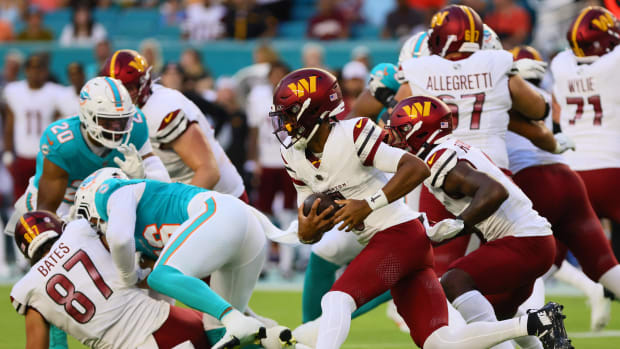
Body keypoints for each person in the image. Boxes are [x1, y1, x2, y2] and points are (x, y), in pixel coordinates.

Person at [270, 67, 570, 349]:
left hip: (398, 235)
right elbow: (307, 224)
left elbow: (414, 167)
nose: (284, 123)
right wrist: (306, 233)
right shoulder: (292, 156)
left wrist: (368, 204)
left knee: (336, 300)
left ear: (315, 111)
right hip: (396, 243)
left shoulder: (353, 133)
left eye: (291, 114)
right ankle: (535, 323)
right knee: (441, 342)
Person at [385, 95, 559, 349]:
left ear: (420, 131)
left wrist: (458, 225)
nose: (397, 138)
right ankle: (548, 341)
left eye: (401, 130)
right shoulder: (448, 150)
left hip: (524, 241)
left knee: (455, 281)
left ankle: (542, 323)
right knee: (500, 322)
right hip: (532, 240)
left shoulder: (439, 160)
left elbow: (495, 192)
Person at [393, 5, 551, 278]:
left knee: (437, 266)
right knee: (512, 251)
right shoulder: (499, 62)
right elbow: (538, 110)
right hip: (491, 168)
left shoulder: (418, 68)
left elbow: (397, 117)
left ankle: (449, 320)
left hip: (439, 170)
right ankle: (517, 319)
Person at [73, 167, 299, 347]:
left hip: (223, 213)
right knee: (219, 331)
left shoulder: (113, 190)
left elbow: (120, 239)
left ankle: (235, 319)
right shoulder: (145, 231)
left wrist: (126, 276)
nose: (95, 226)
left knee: (162, 275)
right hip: (245, 230)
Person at [508, 44, 620, 331]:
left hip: (532, 182)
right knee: (605, 264)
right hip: (567, 177)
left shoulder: (501, 99)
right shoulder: (544, 96)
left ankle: (545, 331)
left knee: (529, 266)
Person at [10, 211, 211, 349]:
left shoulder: (28, 289)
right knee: (220, 329)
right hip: (168, 324)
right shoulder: (79, 231)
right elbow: (134, 269)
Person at [4, 76, 169, 236]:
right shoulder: (63, 143)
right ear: (87, 116)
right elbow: (46, 210)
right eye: (107, 121)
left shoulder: (137, 126)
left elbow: (163, 186)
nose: (117, 129)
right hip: (64, 201)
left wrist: (143, 176)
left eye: (122, 121)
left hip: (100, 200)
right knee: (49, 244)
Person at [101, 50, 247, 201]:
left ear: (143, 84)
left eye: (128, 88)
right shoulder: (127, 110)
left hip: (220, 200)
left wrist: (175, 210)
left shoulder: (162, 111)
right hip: (183, 190)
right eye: (116, 90)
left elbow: (208, 172)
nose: (121, 96)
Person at [551, 6, 620, 262]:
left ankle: (526, 301)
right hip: (612, 168)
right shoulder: (615, 63)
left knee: (549, 254)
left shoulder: (561, 64)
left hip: (570, 172)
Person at [2, 54, 64, 204]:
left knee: (45, 198)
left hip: (46, 156)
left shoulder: (55, 92)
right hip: (22, 154)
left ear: (45, 71)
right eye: (32, 69)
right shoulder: (14, 90)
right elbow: (9, 123)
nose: (35, 73)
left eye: (39, 69)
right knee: (20, 199)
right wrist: (8, 150)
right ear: (26, 70)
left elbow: (61, 121)